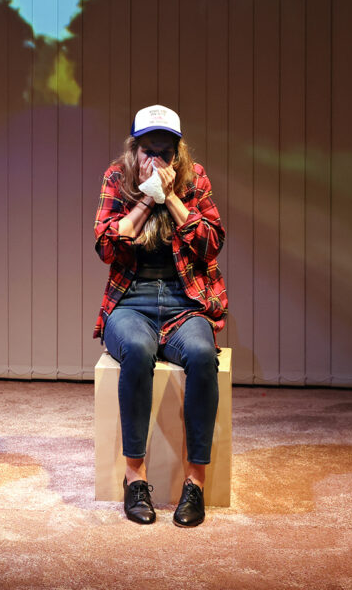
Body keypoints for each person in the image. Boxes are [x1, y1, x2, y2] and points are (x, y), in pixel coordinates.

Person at [92, 104, 228, 527]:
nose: (157, 161)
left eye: (165, 152)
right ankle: (135, 480)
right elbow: (107, 246)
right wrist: (146, 199)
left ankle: (195, 483)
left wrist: (168, 197)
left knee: (204, 355)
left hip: (184, 299)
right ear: (134, 151)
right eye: (148, 150)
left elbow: (211, 244)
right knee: (135, 348)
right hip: (131, 301)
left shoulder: (194, 179)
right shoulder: (117, 178)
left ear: (178, 153)